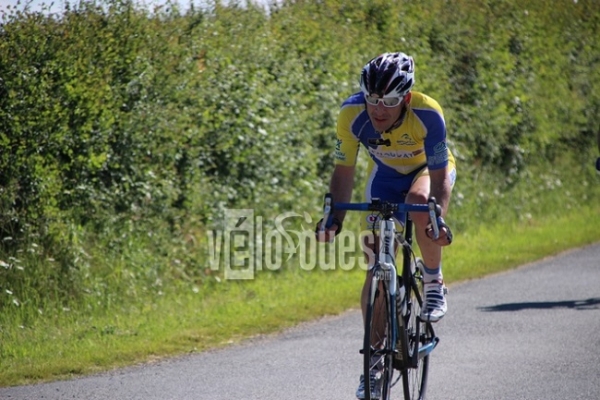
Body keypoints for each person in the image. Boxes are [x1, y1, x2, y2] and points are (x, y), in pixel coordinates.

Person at [316, 52, 456, 400]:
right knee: (375, 266)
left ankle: (433, 278)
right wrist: (334, 219)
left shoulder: (427, 114)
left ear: (406, 98)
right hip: (386, 178)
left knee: (420, 204)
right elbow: (344, 171)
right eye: (373, 100)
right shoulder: (352, 115)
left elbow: (439, 180)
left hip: (427, 172)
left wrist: (438, 222)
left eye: (390, 102)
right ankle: (375, 366)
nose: (379, 110)